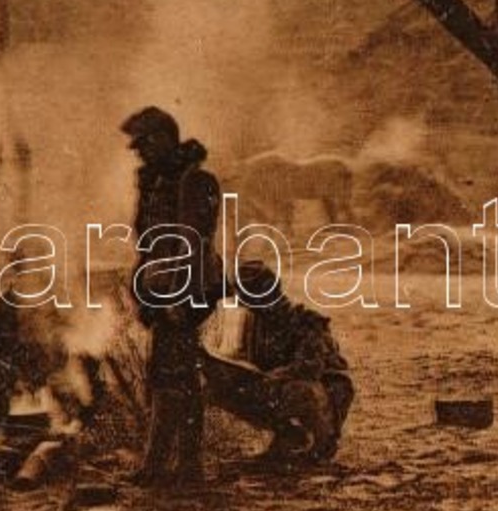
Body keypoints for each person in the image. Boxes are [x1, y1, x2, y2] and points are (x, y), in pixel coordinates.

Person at [121, 106, 221, 487]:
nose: (139, 152)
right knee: (167, 372)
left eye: (145, 143)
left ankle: (178, 466)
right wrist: (142, 292)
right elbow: (147, 245)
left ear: (164, 139)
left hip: (186, 290)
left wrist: (179, 298)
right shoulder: (156, 182)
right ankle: (167, 464)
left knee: (175, 373)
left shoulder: (195, 181)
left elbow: (194, 244)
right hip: (162, 290)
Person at [204, 260, 354, 467]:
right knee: (221, 389)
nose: (244, 304)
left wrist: (272, 377)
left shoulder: (307, 322)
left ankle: (324, 441)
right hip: (285, 385)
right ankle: (289, 434)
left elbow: (309, 368)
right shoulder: (256, 325)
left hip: (325, 396)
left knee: (298, 389)